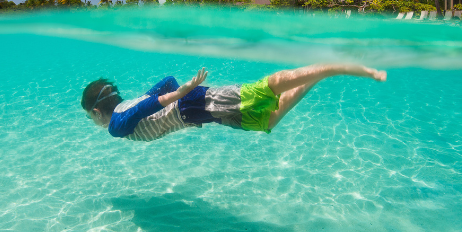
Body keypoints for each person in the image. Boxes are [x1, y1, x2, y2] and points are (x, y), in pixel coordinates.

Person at [81, 64, 387, 142]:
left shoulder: (116, 125)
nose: (94, 122)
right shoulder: (126, 108)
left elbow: (147, 107)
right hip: (197, 110)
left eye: (90, 117)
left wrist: (180, 94)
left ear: (97, 111)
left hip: (195, 104)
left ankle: (334, 66)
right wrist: (179, 93)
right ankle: (317, 76)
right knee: (266, 121)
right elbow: (163, 85)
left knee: (264, 89)